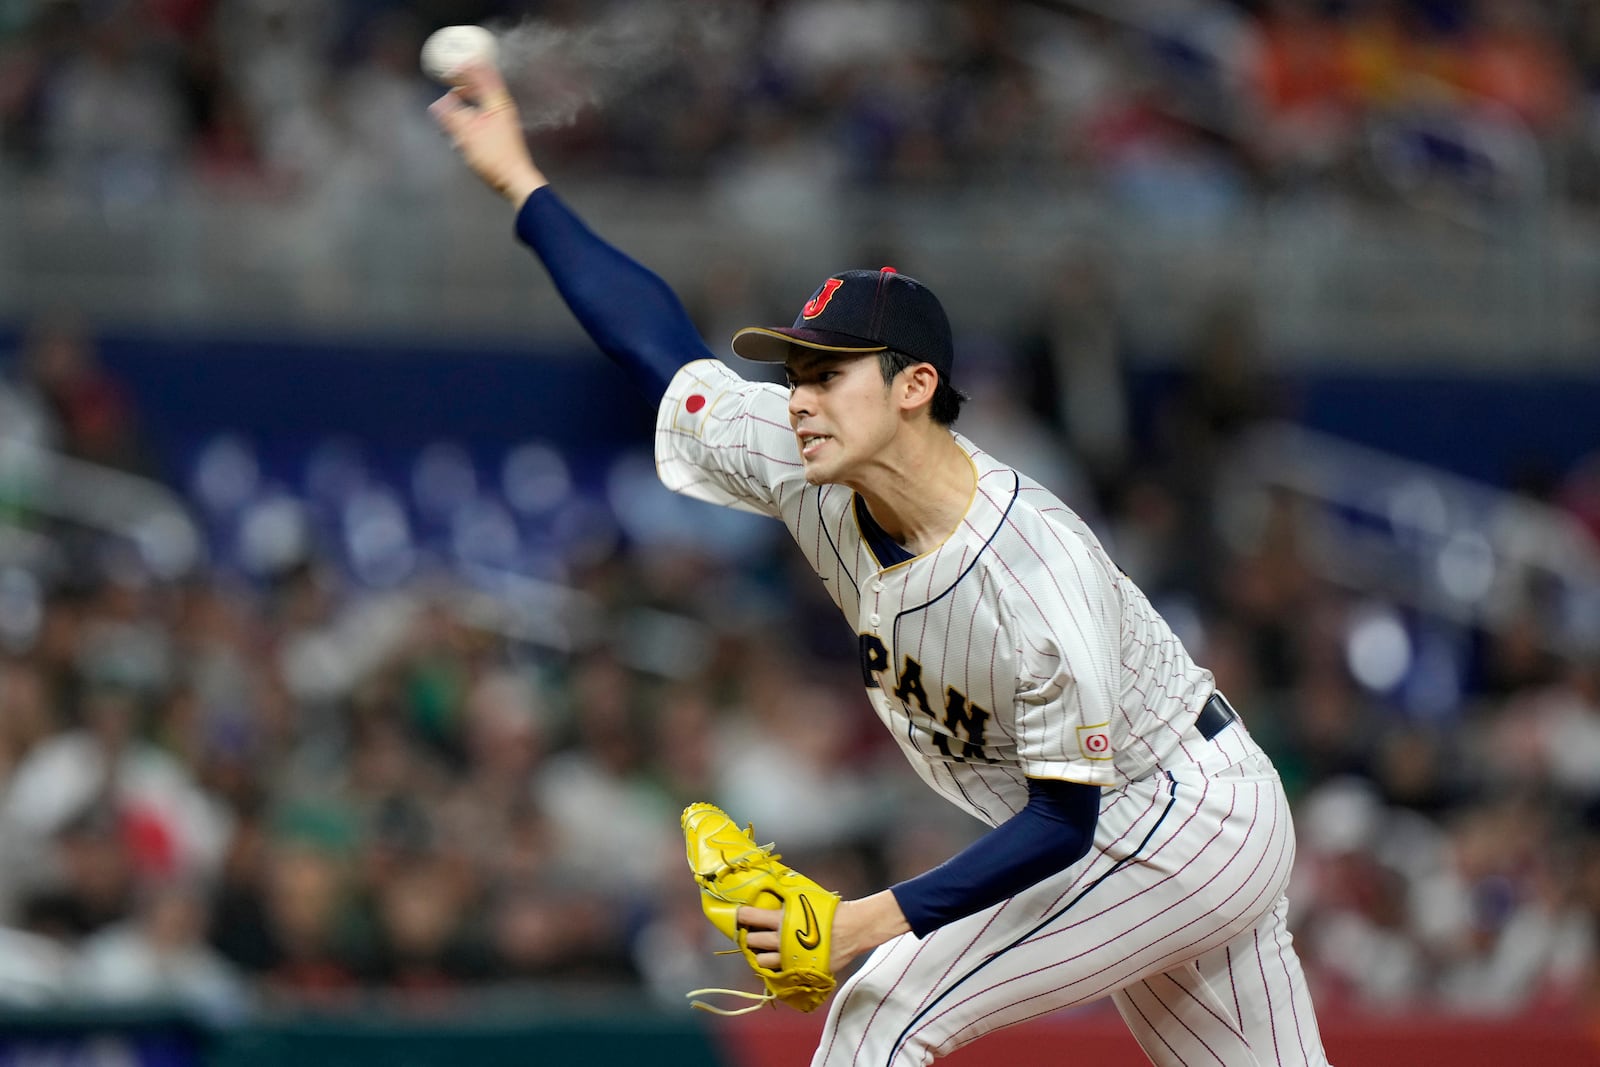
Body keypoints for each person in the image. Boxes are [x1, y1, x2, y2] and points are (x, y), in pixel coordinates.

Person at [431, 62, 1332, 1067]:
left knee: (882, 1008)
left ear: (913, 385)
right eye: (794, 368)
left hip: (1175, 810)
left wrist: (855, 923)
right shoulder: (796, 451)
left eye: (828, 372)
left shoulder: (1034, 563)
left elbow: (1062, 823)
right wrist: (519, 177)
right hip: (1140, 820)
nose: (799, 394)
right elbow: (655, 343)